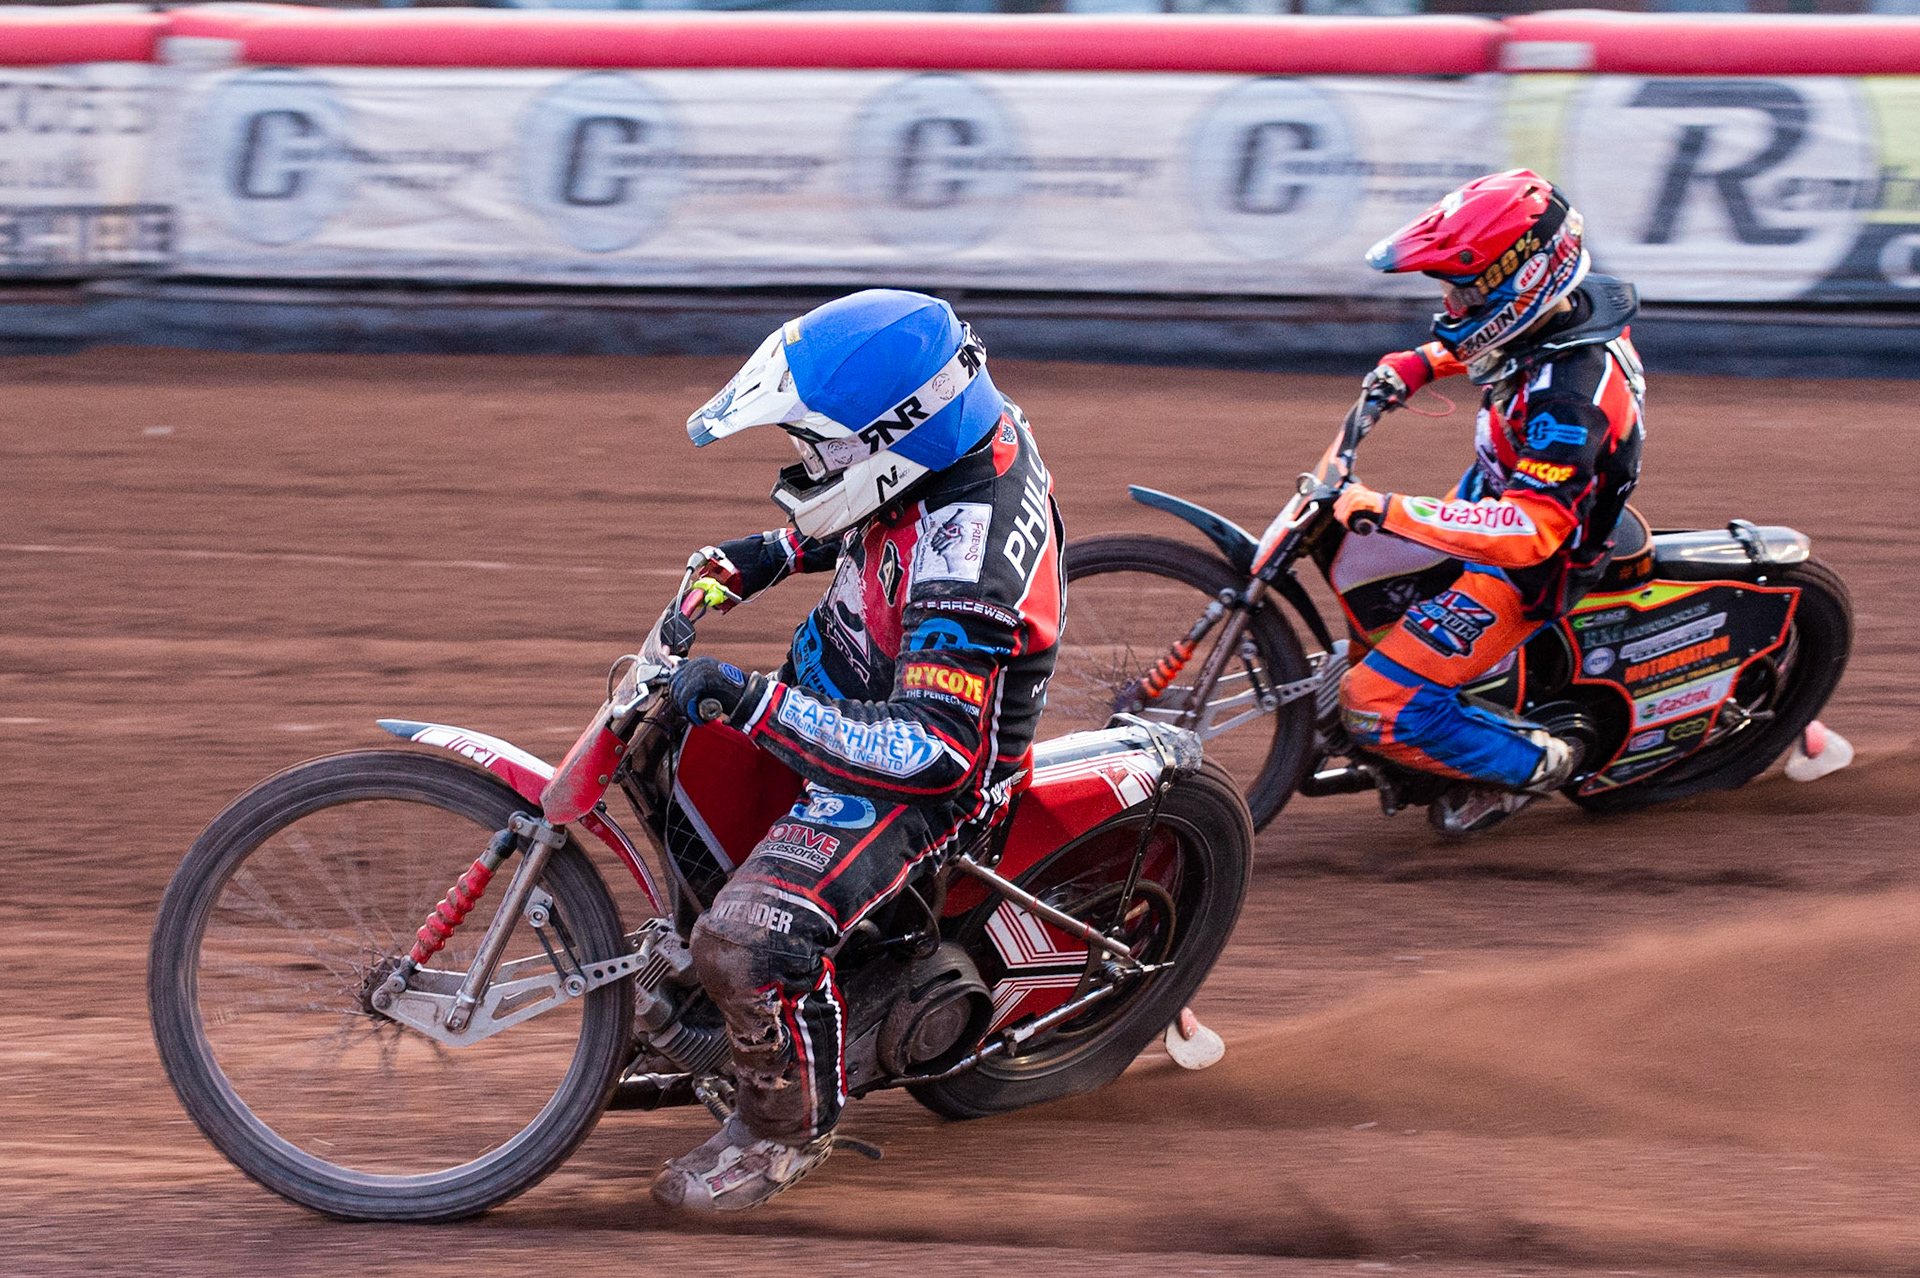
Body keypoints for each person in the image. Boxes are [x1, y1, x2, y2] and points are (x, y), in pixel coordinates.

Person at [650, 289, 1065, 1211]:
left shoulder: (973, 560)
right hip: (855, 691)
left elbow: (935, 754)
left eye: (823, 448)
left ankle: (782, 1131)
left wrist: (757, 702)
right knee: (667, 753)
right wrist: (766, 554)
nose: (807, 463)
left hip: (924, 772)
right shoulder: (942, 446)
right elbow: (869, 514)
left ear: (897, 438)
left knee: (750, 935)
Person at [1331, 169, 1645, 835]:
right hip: (1494, 492)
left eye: (1463, 287)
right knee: (1372, 584)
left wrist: (1387, 507)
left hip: (1531, 566)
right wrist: (1417, 365)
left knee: (1370, 702)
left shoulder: (1572, 400)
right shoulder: (1564, 310)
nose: (1449, 301)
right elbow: (1490, 341)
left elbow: (1530, 533)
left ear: (1519, 281)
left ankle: (1536, 764)